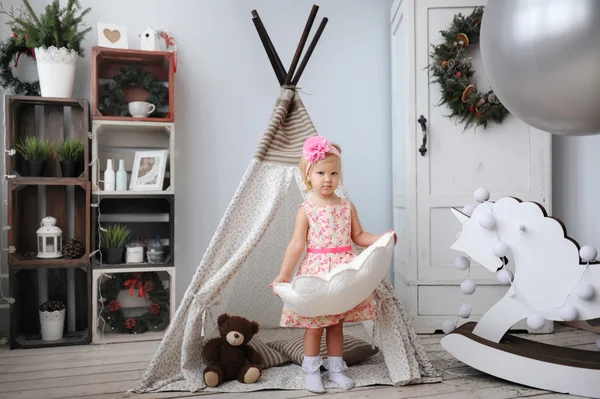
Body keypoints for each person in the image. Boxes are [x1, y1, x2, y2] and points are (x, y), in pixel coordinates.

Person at [270, 135, 397, 394]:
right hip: (317, 272)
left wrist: (382, 238)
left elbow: (358, 236)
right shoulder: (306, 209)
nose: (328, 178)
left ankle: (336, 369)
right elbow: (296, 245)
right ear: (308, 176)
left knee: (336, 324)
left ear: (340, 176)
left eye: (334, 173)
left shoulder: (346, 206)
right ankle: (312, 371)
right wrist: (283, 275)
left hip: (342, 271)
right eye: (320, 172)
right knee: (315, 325)